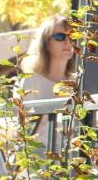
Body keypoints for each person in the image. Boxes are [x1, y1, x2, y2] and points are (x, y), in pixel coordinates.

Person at [16, 15, 76, 149]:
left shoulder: (78, 82)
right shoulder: (30, 81)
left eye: (73, 36)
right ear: (45, 42)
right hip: (37, 158)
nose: (68, 41)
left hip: (72, 158)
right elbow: (22, 130)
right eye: (60, 37)